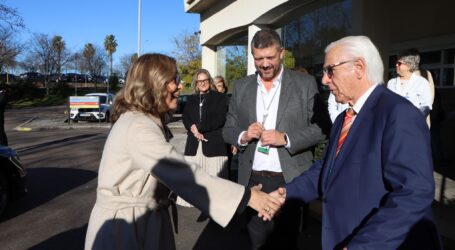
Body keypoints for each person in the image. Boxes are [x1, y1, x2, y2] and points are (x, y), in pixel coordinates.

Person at [84, 53, 284, 250]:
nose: (181, 86)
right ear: (155, 83)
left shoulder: (141, 121)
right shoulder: (138, 126)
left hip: (139, 224)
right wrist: (247, 197)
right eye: (175, 80)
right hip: (126, 233)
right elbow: (183, 174)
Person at [272, 36, 441, 249]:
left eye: (330, 70)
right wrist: (286, 194)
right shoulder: (345, 118)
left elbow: (414, 193)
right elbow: (327, 169)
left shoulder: (398, 114)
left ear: (359, 68)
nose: (324, 80)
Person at [222, 29, 328, 249]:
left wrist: (286, 138)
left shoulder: (305, 83)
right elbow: (228, 129)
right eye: (258, 59)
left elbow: (322, 128)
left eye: (270, 57)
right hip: (253, 181)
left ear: (282, 53)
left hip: (289, 179)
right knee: (256, 241)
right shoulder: (241, 87)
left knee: (286, 241)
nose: (265, 64)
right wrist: (243, 135)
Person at [176, 69, 229, 208]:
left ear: (209, 81)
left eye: (205, 80)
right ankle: (197, 202)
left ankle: (218, 208)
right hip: (194, 144)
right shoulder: (191, 99)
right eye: (200, 81)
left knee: (215, 181)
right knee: (194, 177)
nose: (203, 83)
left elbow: (220, 118)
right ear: (196, 83)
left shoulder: (219, 97)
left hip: (214, 144)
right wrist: (192, 128)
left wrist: (200, 128)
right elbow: (185, 117)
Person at [387, 49, 433, 126]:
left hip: (413, 126)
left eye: (399, 63)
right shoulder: (391, 82)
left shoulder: (422, 83)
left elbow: (426, 106)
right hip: (393, 125)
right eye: (396, 63)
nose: (396, 65)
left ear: (409, 66)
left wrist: (412, 120)